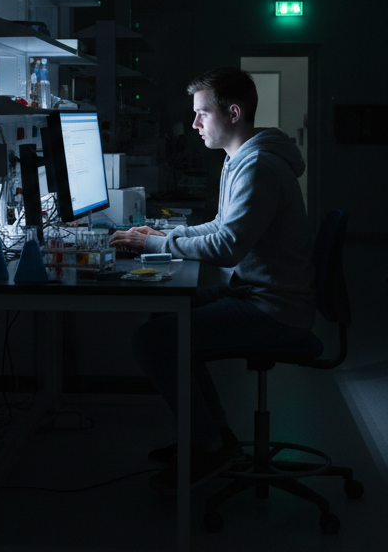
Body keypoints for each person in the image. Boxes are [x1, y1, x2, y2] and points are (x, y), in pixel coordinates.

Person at [109, 67, 316, 496]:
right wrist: (160, 237)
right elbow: (222, 226)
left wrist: (160, 243)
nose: (194, 124)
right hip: (254, 291)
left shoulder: (257, 165)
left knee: (153, 341)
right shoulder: (240, 159)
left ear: (233, 112)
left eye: (202, 113)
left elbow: (226, 248)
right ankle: (215, 438)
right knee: (171, 316)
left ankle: (207, 446)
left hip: (273, 308)